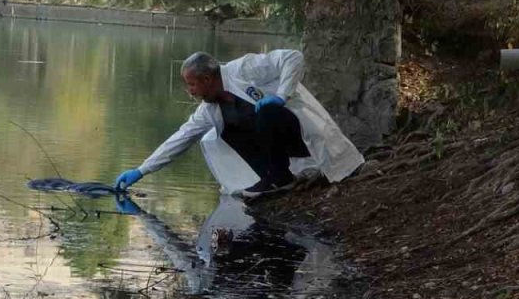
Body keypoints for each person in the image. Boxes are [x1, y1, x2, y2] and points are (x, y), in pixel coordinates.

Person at [115, 51, 364, 198]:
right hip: (279, 151)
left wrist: (282, 95)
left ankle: (279, 176)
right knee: (223, 133)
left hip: (297, 133)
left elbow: (293, 57)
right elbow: (180, 139)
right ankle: (275, 176)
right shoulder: (209, 110)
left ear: (207, 79)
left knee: (267, 111)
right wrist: (141, 170)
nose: (190, 92)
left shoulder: (244, 69)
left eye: (191, 84)